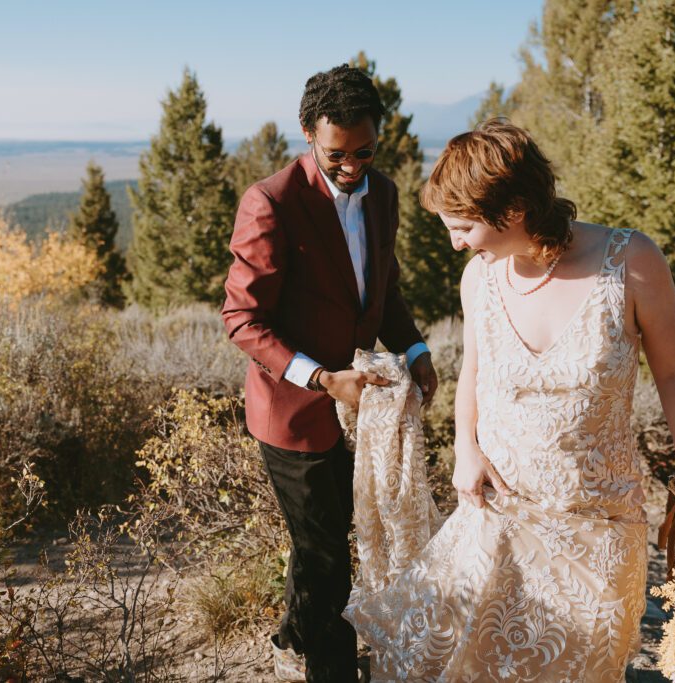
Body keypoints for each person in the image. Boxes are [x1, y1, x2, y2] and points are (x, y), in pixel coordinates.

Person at [344, 118, 675, 681]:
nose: (455, 242)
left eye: (464, 227)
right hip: (498, 512)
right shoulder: (479, 277)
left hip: (597, 529)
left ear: (513, 210)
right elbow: (473, 370)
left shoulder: (631, 261)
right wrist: (465, 449)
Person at [221, 64, 438, 683]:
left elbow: (381, 292)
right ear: (306, 133)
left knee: (340, 535)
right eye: (336, 153)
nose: (352, 166)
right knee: (323, 553)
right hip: (293, 412)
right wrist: (322, 380)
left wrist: (416, 349)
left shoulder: (387, 195)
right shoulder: (271, 202)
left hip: (366, 408)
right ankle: (331, 669)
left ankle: (298, 625)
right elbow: (242, 319)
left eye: (365, 151)